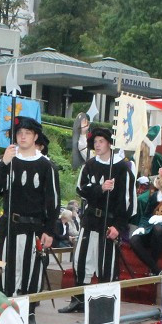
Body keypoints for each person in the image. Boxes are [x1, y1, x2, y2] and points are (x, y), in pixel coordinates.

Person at [0, 116, 59, 324]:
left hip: (34, 228)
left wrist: (49, 229)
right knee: (5, 271)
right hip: (9, 227)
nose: (22, 136)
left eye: (27, 133)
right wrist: (4, 163)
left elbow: (53, 201)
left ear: (35, 137)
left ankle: (29, 314)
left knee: (31, 272)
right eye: (19, 133)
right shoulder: (6, 161)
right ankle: (4, 313)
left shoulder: (46, 166)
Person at [60, 127, 134, 313]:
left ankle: (104, 304)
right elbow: (81, 189)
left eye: (101, 141)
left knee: (105, 263)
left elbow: (127, 202)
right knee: (82, 259)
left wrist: (118, 226)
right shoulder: (90, 165)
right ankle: (79, 300)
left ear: (109, 143)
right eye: (95, 142)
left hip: (109, 223)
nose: (97, 145)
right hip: (90, 220)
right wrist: (99, 188)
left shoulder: (122, 168)